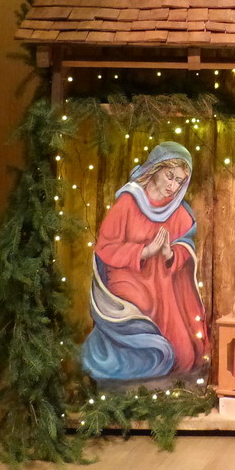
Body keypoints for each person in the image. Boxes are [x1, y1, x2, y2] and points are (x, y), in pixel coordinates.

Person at [82, 142, 210, 384]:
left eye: (180, 181)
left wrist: (170, 254)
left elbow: (186, 248)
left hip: (164, 285)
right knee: (140, 310)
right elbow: (106, 248)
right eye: (170, 176)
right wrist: (143, 252)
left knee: (184, 355)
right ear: (154, 169)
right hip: (127, 278)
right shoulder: (129, 203)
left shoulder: (178, 212)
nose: (173, 186)